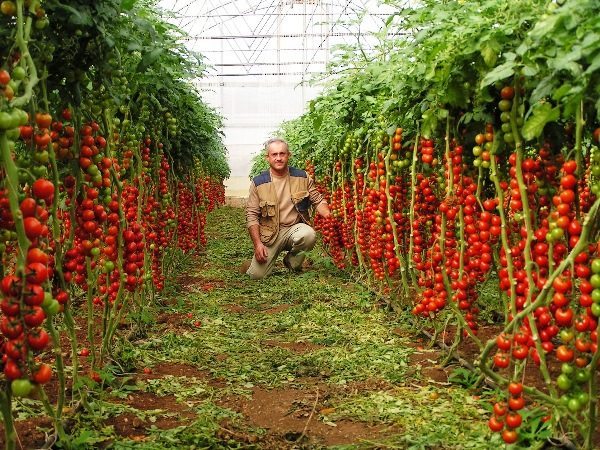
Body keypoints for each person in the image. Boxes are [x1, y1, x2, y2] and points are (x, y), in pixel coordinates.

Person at [245, 138, 331, 279]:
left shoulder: (302, 177)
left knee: (308, 234)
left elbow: (318, 199)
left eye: (282, 154)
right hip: (270, 234)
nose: (278, 158)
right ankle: (255, 265)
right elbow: (252, 216)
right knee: (256, 276)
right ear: (267, 157)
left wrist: (328, 214)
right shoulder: (259, 183)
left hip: (294, 228)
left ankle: (292, 262)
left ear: (288, 155)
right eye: (274, 154)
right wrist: (258, 244)